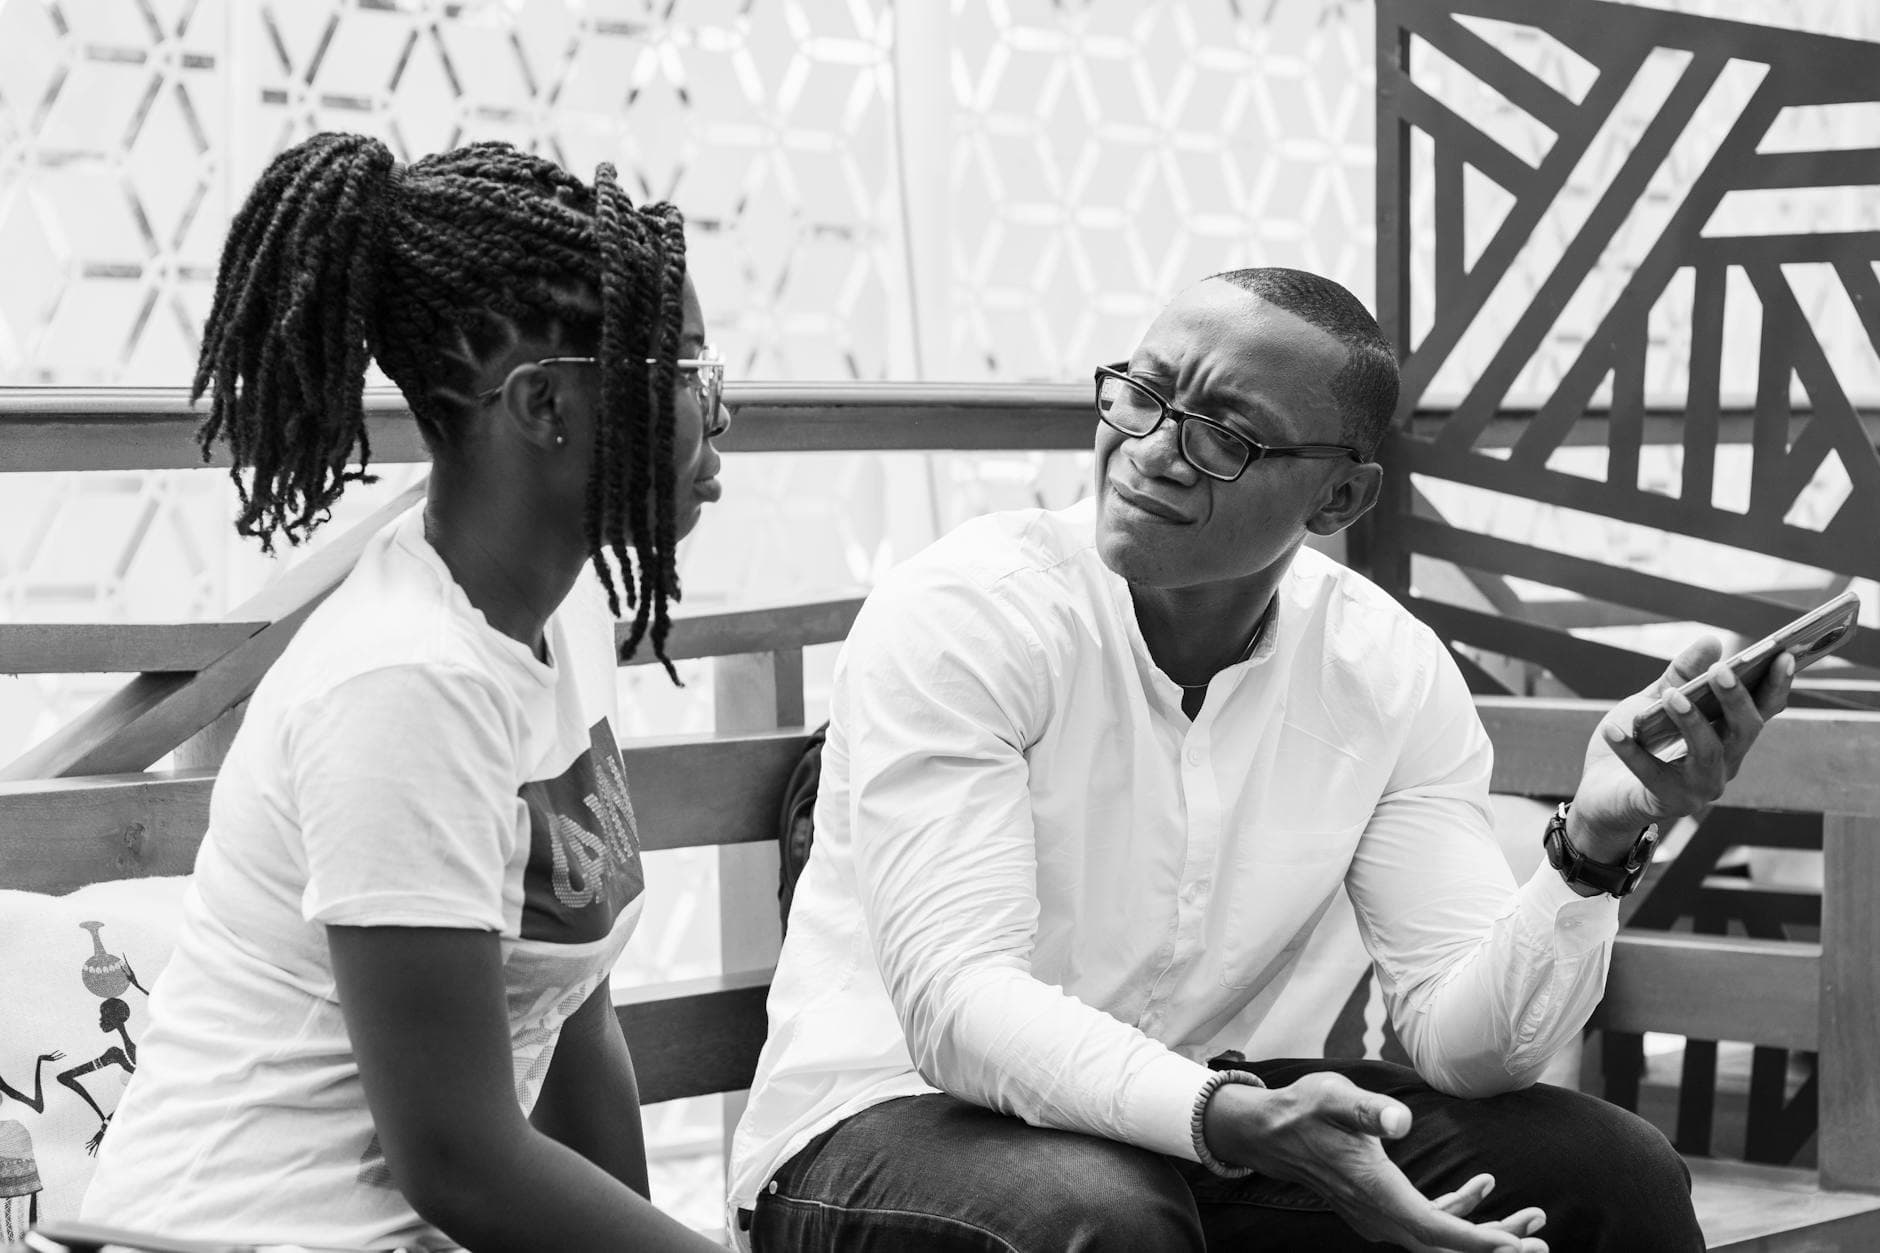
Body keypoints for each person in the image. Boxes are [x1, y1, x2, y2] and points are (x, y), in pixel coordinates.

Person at [729, 267, 1793, 1252]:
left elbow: (1465, 1047)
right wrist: (1229, 1116)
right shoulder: (969, 611)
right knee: (1104, 1216)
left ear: (1337, 500)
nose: (1148, 449)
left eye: (1224, 435)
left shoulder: (1382, 669)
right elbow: (958, 1010)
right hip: (878, 1133)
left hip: (1185, 1137)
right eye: (1139, 395)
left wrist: (1590, 847)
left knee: (1610, 1171)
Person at [82, 132, 730, 1252]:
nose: (718, 413)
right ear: (540, 405)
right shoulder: (403, 683)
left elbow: (569, 1005)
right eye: (685, 375)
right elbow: (461, 1162)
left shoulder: (555, 613)